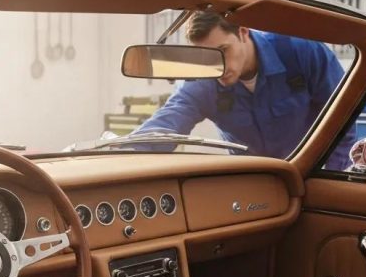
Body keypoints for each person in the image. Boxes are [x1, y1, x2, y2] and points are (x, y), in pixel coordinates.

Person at [134, 11, 354, 168]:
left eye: (224, 50)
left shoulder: (301, 51)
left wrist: (327, 176)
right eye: (207, 57)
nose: (218, 67)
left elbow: (342, 120)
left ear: (244, 32)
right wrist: (116, 154)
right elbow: (166, 124)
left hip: (311, 175)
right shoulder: (203, 81)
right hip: (253, 184)